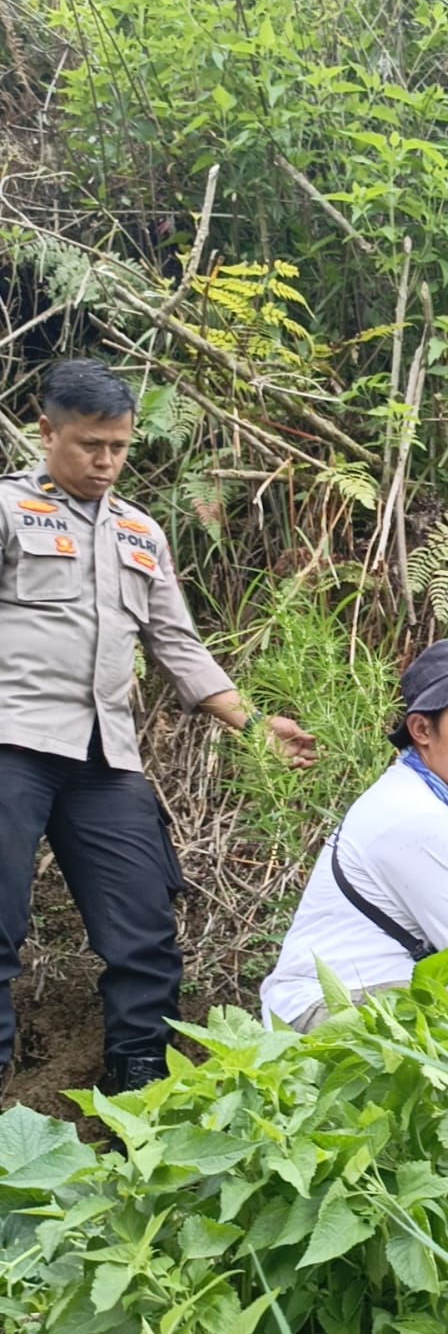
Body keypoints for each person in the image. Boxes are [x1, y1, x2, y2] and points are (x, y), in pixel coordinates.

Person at [0, 358, 315, 1093]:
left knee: (143, 928)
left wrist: (253, 722)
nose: (106, 461)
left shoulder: (140, 531)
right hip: (12, 740)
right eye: (89, 445)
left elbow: (176, 643)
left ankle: (139, 1088)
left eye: (118, 446)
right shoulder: (10, 511)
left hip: (106, 757)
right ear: (46, 432)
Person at [261, 640, 448, 1031]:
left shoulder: (416, 795)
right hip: (321, 1009)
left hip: (360, 993)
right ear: (421, 729)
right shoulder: (416, 815)